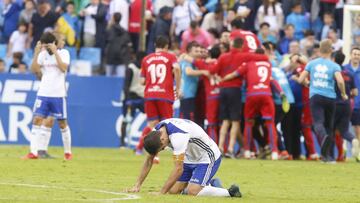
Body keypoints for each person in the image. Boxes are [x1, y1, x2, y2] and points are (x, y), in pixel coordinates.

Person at [126, 118, 242, 198]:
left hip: (207, 157)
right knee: (173, 191)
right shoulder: (157, 132)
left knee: (193, 191)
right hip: (190, 157)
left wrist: (161, 192)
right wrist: (137, 185)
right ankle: (209, 183)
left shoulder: (178, 136)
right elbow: (149, 159)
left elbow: (178, 169)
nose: (162, 150)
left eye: (161, 149)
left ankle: (230, 192)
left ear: (162, 140)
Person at [210, 38, 267, 157]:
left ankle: (220, 147)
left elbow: (213, 70)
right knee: (235, 121)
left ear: (232, 45)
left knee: (225, 121)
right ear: (241, 46)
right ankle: (230, 149)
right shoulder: (243, 56)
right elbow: (263, 58)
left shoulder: (223, 57)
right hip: (235, 90)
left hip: (223, 90)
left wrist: (220, 78)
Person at [221, 48, 279, 160]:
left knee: (248, 123)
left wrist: (224, 78)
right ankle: (275, 152)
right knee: (270, 123)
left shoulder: (248, 64)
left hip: (252, 94)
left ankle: (247, 151)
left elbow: (234, 74)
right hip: (266, 93)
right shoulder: (268, 64)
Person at [22, 32, 72, 160]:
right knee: (37, 120)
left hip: (58, 94)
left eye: (47, 46)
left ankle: (68, 152)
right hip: (43, 93)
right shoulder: (42, 55)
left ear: (54, 44)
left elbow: (63, 68)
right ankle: (33, 152)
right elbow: (34, 69)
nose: (45, 48)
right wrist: (36, 53)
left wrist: (55, 53)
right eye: (44, 46)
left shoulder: (64, 53)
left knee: (62, 124)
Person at [297, 39, 347, 163]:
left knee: (318, 123)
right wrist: (343, 93)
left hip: (316, 96)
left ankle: (323, 138)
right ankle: (328, 157)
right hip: (330, 97)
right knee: (329, 126)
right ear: (331, 50)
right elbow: (340, 81)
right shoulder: (334, 66)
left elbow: (300, 79)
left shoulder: (312, 63)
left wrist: (308, 83)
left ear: (319, 49)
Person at [135, 36, 181, 160]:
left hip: (150, 94)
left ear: (155, 45)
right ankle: (174, 151)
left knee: (152, 125)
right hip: (165, 94)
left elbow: (141, 81)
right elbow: (176, 68)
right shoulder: (170, 57)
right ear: (167, 46)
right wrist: (178, 86)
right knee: (167, 124)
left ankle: (150, 153)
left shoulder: (146, 59)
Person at [332, 51, 359, 162]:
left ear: (333, 59)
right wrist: (347, 94)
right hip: (347, 105)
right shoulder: (349, 73)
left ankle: (329, 155)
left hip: (334, 104)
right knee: (343, 131)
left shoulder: (332, 72)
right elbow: (355, 92)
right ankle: (353, 140)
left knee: (330, 130)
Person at [179, 42, 209, 120]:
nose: (199, 54)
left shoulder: (195, 62)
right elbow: (188, 72)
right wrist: (203, 72)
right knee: (187, 120)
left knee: (191, 119)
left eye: (199, 52)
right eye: (196, 51)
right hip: (186, 95)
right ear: (189, 52)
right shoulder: (186, 62)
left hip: (191, 94)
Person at [344, 47, 360, 162]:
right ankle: (343, 152)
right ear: (350, 55)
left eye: (358, 54)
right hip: (345, 104)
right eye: (354, 54)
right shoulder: (344, 69)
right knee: (342, 129)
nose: (356, 56)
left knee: (358, 130)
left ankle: (357, 154)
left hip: (358, 105)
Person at [105, 12, 132, 77]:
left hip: (110, 58)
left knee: (108, 80)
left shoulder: (109, 30)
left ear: (113, 18)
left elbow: (105, 41)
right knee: (120, 80)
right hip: (121, 58)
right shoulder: (124, 32)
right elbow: (128, 43)